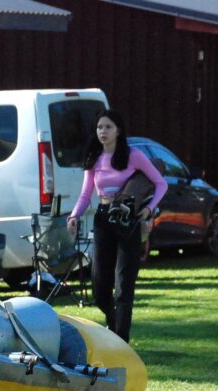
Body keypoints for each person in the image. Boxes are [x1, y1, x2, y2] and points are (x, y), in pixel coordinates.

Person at [68, 109, 167, 343]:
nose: (103, 132)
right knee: (100, 288)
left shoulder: (133, 155)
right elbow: (85, 194)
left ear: (118, 131)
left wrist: (149, 208)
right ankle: (113, 322)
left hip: (128, 222)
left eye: (108, 127)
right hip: (103, 219)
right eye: (99, 127)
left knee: (124, 285)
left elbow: (160, 183)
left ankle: (121, 340)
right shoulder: (94, 157)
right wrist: (74, 216)